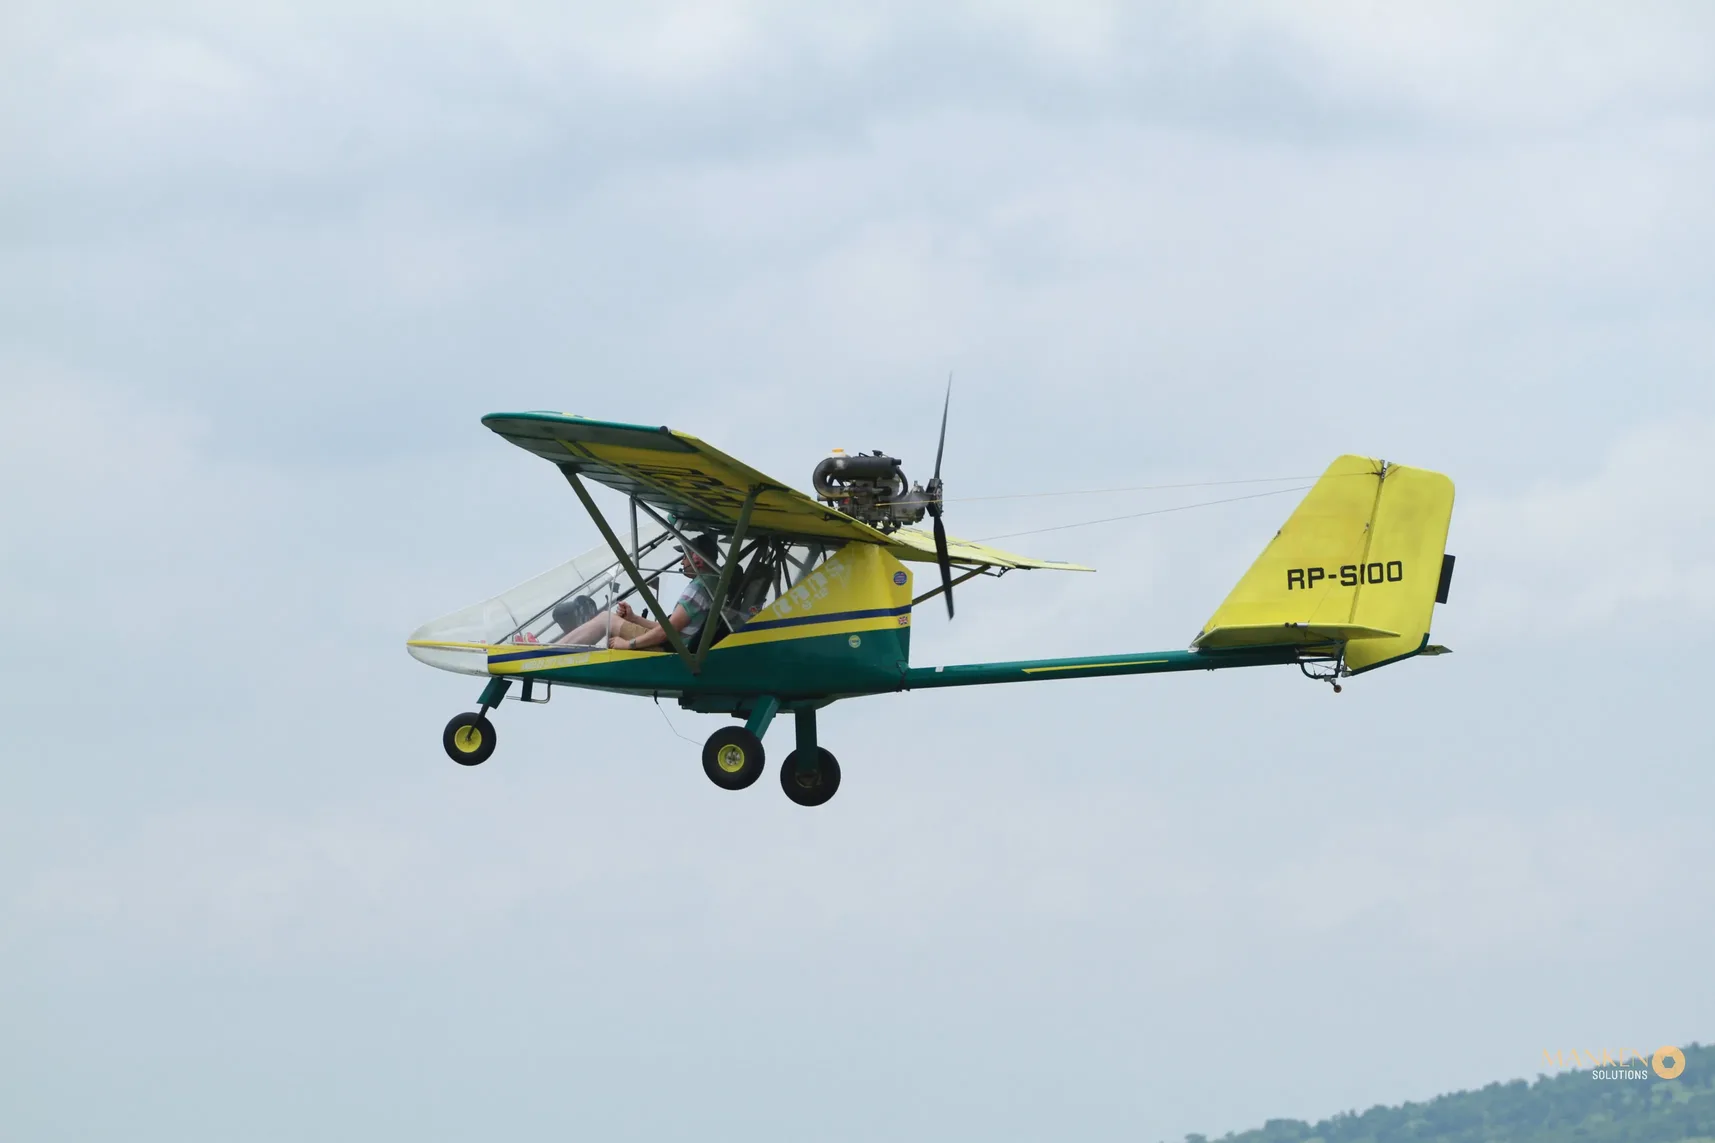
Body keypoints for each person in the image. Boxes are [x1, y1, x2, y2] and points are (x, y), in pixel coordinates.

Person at [557, 533, 723, 651]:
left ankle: (552, 651)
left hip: (670, 649)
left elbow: (666, 633)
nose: (682, 562)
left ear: (697, 560)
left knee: (605, 620)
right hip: (674, 644)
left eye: (685, 557)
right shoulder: (713, 584)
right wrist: (634, 618)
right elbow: (670, 628)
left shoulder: (697, 589)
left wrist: (627, 644)